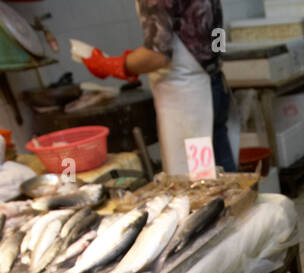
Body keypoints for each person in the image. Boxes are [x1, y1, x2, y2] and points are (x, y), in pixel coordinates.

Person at [82, 0, 237, 174]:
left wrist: (113, 65)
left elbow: (157, 56)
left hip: (187, 103)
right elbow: (218, 40)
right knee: (221, 178)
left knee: (198, 182)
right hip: (213, 84)